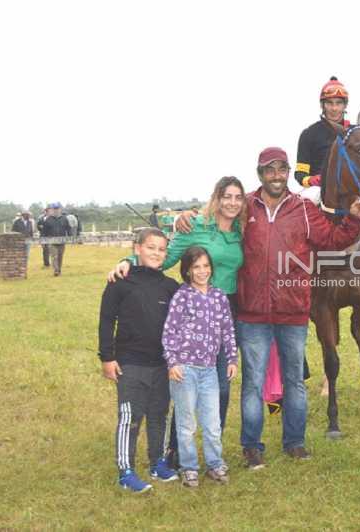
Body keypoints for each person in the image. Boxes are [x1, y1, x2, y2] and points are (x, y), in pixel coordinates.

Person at [235, 146, 360, 469]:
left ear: (287, 172)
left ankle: (294, 442)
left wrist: (353, 219)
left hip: (292, 312)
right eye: (270, 170)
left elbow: (332, 240)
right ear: (260, 174)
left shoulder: (303, 209)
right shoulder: (244, 207)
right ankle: (251, 446)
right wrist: (186, 219)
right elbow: (216, 227)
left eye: (282, 169)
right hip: (252, 313)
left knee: (294, 381)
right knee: (252, 383)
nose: (276, 175)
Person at [109, 176, 246, 467]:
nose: (232, 203)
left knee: (221, 387)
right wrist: (128, 261)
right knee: (185, 384)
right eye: (227, 196)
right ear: (217, 197)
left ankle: (214, 452)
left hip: (225, 310)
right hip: (194, 316)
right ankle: (175, 449)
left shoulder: (241, 230)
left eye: (238, 197)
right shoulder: (194, 225)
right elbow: (165, 257)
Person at [98, 228, 180, 493]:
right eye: (150, 247)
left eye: (161, 249)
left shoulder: (170, 287)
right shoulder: (120, 282)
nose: (156, 253)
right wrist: (107, 357)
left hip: (162, 364)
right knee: (130, 416)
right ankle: (126, 471)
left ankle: (158, 463)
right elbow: (106, 321)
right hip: (130, 363)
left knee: (159, 414)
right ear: (137, 249)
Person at [162, 246, 237, 487]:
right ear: (187, 270)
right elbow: (169, 331)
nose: (202, 271)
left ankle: (215, 464)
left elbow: (228, 330)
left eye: (206, 266)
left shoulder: (219, 297)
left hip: (210, 370)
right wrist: (172, 361)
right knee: (186, 424)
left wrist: (232, 359)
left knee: (212, 423)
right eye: (196, 267)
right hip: (185, 369)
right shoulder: (182, 296)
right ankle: (189, 467)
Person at [294, 76, 360, 248]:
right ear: (323, 105)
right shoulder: (309, 134)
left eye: (338, 103)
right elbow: (299, 174)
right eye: (330, 103)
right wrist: (312, 180)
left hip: (351, 188)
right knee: (299, 205)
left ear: (345, 106)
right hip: (319, 189)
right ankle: (295, 246)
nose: (334, 108)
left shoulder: (355, 133)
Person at [40, 202, 71, 276]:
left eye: (57, 208)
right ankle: (56, 270)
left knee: (60, 256)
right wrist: (43, 241)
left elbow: (68, 228)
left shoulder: (64, 219)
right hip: (51, 241)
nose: (56, 210)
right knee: (54, 256)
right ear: (52, 210)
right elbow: (44, 231)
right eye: (54, 209)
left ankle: (59, 269)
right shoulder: (48, 219)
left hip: (62, 241)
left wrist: (71, 236)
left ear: (60, 209)